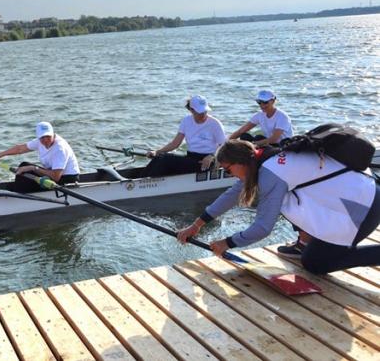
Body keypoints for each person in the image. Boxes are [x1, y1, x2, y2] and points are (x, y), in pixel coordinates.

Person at [176, 139, 380, 274]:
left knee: (316, 264)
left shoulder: (271, 174)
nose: (229, 175)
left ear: (240, 161)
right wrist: (197, 225)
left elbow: (263, 228)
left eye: (228, 170)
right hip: (359, 195)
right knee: (308, 255)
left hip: (365, 206)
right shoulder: (264, 157)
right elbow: (230, 196)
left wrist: (228, 243)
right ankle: (304, 242)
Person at [143, 95, 226, 177]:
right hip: (191, 158)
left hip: (207, 162)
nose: (203, 114)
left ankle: (143, 183)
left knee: (164, 160)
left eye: (204, 111)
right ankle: (142, 180)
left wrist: (212, 156)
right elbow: (175, 144)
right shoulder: (186, 121)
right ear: (191, 110)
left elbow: (224, 146)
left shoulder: (215, 124)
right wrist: (157, 152)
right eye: (200, 112)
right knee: (159, 157)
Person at [0, 121, 80, 193]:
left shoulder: (60, 149)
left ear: (53, 133)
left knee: (27, 168)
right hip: (53, 176)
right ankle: (16, 191)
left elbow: (56, 177)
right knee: (24, 166)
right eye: (42, 137)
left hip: (67, 180)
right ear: (38, 137)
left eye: (48, 136)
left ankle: (17, 196)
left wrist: (33, 168)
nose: (45, 140)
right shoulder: (39, 142)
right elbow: (20, 149)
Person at [229, 89, 293, 147]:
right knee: (245, 136)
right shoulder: (260, 115)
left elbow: (274, 139)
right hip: (269, 144)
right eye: (259, 102)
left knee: (258, 139)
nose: (262, 105)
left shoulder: (282, 117)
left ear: (273, 101)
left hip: (282, 145)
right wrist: (226, 142)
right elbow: (241, 131)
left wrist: (253, 144)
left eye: (265, 102)